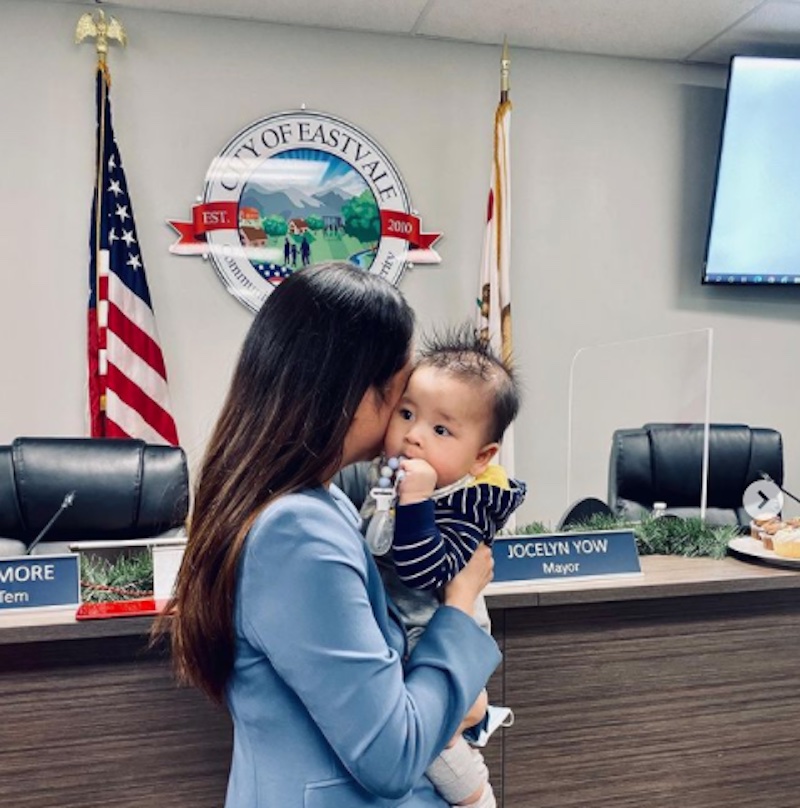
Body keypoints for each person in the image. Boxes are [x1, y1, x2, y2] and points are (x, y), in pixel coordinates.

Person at [156, 262, 501, 808]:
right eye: (400, 395)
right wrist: (459, 610)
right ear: (355, 393)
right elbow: (393, 754)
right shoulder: (298, 532)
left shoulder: (319, 499)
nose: (408, 426)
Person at [362, 327, 526, 808]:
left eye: (440, 430)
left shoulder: (469, 502)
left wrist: (414, 501)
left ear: (482, 457)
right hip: (404, 625)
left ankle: (474, 794)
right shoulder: (393, 475)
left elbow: (423, 570)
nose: (413, 435)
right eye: (407, 414)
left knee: (430, 734)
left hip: (435, 625)